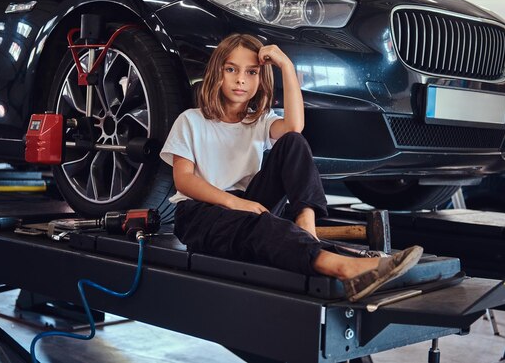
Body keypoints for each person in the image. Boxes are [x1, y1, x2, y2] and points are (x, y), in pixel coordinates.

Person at [160, 33, 422, 301]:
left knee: (292, 142)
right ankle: (345, 267)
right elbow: (184, 181)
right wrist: (233, 203)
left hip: (250, 204)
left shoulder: (259, 121)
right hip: (201, 214)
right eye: (231, 69)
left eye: (251, 72)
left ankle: (306, 227)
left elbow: (295, 127)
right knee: (262, 226)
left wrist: (286, 65)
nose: (241, 79)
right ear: (217, 73)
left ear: (261, 79)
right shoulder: (191, 120)